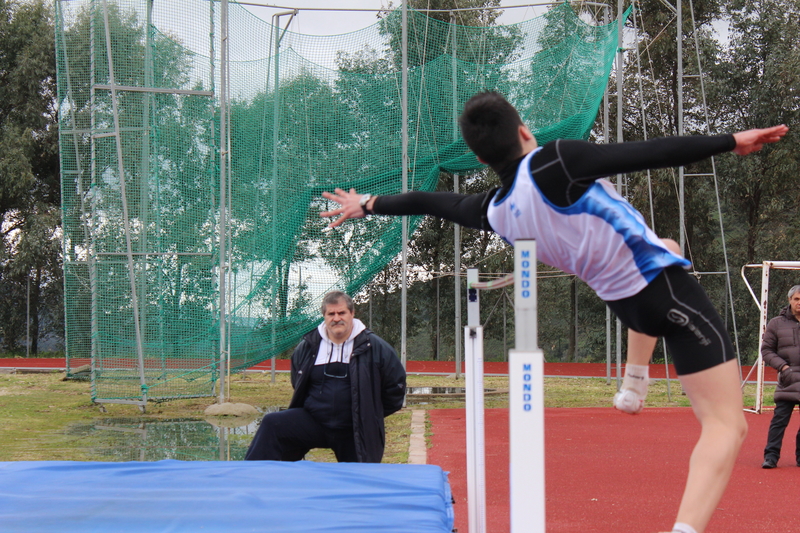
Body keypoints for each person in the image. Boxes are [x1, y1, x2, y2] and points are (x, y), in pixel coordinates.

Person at [319, 91, 789, 533]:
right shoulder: (556, 162)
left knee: (666, 244)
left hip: (628, 309)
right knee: (727, 425)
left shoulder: (494, 210)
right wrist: (731, 140)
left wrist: (369, 204)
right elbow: (649, 152)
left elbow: (433, 202)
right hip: (668, 296)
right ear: (525, 131)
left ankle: (634, 382)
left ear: (481, 159)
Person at [245, 291, 406, 463]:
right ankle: (252, 479)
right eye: (331, 314)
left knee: (358, 483)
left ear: (352, 313)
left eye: (341, 313)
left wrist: (370, 413)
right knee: (273, 424)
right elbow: (298, 382)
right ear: (324, 316)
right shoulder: (308, 347)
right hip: (315, 422)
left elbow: (395, 388)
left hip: (354, 428)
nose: (337, 318)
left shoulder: (376, 348)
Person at [760, 284, 800, 469]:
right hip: (788, 381)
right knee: (779, 421)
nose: (799, 303)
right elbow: (766, 350)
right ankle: (771, 457)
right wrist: (784, 368)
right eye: (796, 299)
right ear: (789, 300)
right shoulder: (776, 323)